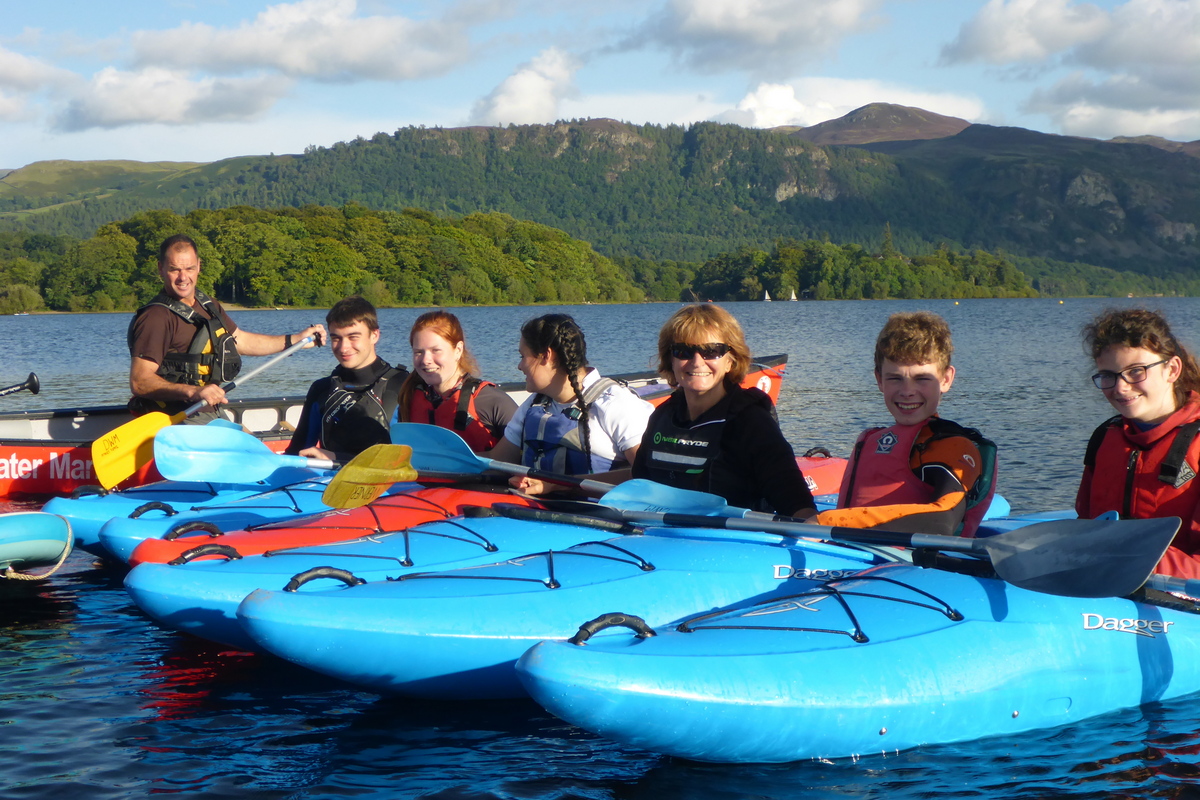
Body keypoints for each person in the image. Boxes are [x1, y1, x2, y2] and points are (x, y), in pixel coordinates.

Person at [814, 311, 996, 536]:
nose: (907, 391)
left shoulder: (952, 447)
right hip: (850, 556)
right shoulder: (873, 438)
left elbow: (943, 519)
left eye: (922, 379)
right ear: (879, 380)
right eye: (895, 378)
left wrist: (829, 521)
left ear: (946, 379)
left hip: (908, 565)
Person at [631, 304, 816, 517]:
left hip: (733, 543)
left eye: (712, 351)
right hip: (665, 539)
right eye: (683, 351)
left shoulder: (752, 423)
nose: (697, 362)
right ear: (670, 360)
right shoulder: (662, 417)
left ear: (731, 361)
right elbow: (640, 488)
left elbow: (797, 504)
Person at [128, 234, 325, 423]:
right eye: (174, 269)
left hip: (208, 411)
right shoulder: (156, 317)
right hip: (174, 417)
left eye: (189, 268)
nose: (183, 277)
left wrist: (295, 340)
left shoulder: (208, 305)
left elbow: (240, 340)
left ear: (199, 266)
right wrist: (194, 391)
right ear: (161, 269)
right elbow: (140, 382)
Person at [1076, 308, 1200, 579]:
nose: (1120, 388)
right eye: (1108, 375)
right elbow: (1083, 526)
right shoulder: (1104, 438)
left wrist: (1130, 558)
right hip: (1107, 590)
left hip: (1179, 605)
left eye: (1136, 371)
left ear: (1172, 369)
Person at [486, 313, 653, 492]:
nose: (519, 366)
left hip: (593, 516)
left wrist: (553, 485)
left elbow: (647, 476)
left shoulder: (617, 405)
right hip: (532, 512)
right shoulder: (533, 404)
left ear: (545, 356)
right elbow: (496, 460)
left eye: (522, 356)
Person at [285, 296, 407, 460]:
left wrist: (336, 457)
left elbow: (414, 460)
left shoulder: (402, 384)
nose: (343, 347)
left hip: (389, 483)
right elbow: (296, 454)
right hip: (331, 483)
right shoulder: (321, 389)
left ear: (374, 335)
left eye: (353, 337)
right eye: (336, 338)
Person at [396, 310, 517, 452]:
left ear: (458, 350)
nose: (425, 360)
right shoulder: (409, 397)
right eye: (418, 352)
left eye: (436, 350)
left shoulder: (492, 402)